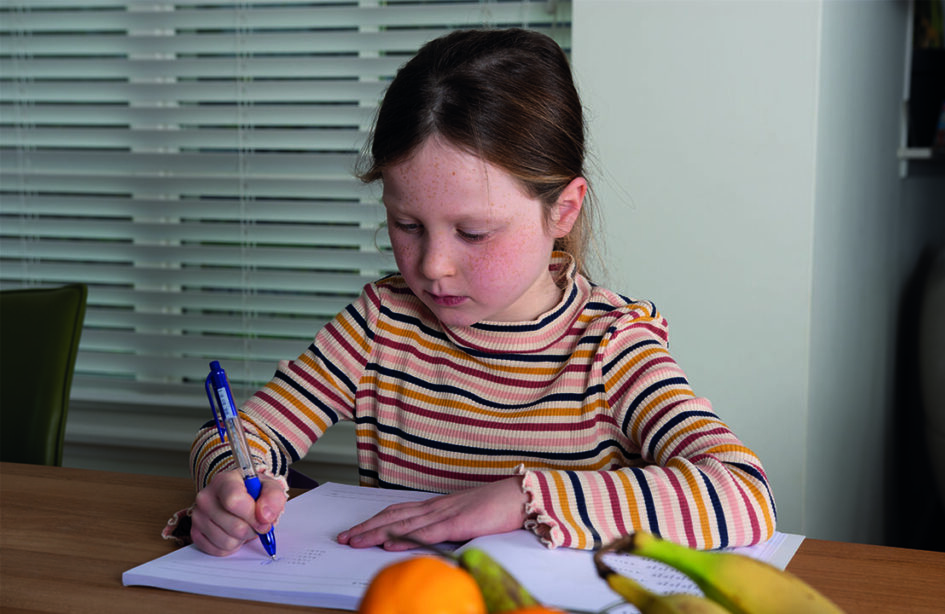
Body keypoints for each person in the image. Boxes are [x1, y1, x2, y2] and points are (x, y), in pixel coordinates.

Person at [164, 27, 776, 556]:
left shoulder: (612, 349)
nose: (432, 266)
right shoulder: (380, 324)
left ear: (562, 209)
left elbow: (744, 494)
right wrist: (233, 485)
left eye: (473, 232)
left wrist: (520, 497)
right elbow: (239, 435)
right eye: (406, 225)